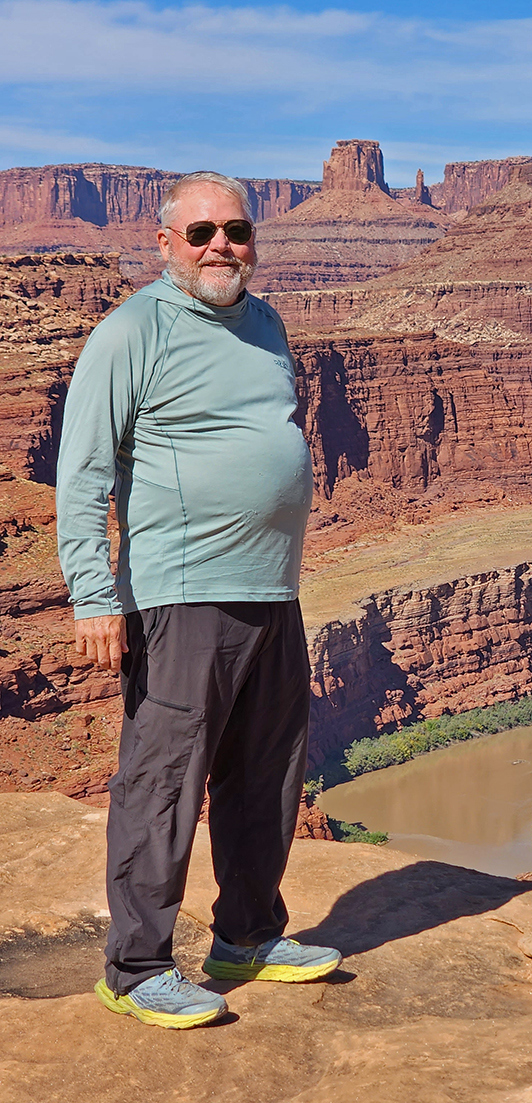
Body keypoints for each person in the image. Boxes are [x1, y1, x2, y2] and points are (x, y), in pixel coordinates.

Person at [55, 170, 341, 1029]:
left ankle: (248, 935)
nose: (223, 244)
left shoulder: (265, 322)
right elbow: (83, 474)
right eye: (202, 230)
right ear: (166, 242)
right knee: (165, 778)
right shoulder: (132, 330)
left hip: (270, 587)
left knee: (267, 772)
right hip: (180, 594)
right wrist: (93, 594)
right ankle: (137, 966)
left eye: (238, 229)